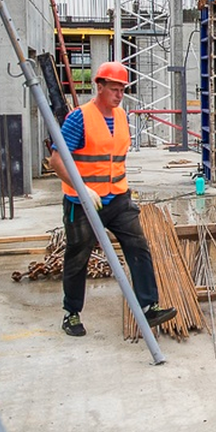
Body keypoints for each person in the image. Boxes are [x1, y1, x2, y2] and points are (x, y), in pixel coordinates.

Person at [48, 61, 177, 337]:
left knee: (138, 245)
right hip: (82, 202)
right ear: (99, 86)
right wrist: (82, 189)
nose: (119, 95)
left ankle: (148, 306)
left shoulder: (121, 117)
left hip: (117, 197)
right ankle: (71, 313)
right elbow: (56, 160)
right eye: (114, 89)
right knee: (77, 255)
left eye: (122, 90)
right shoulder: (79, 118)